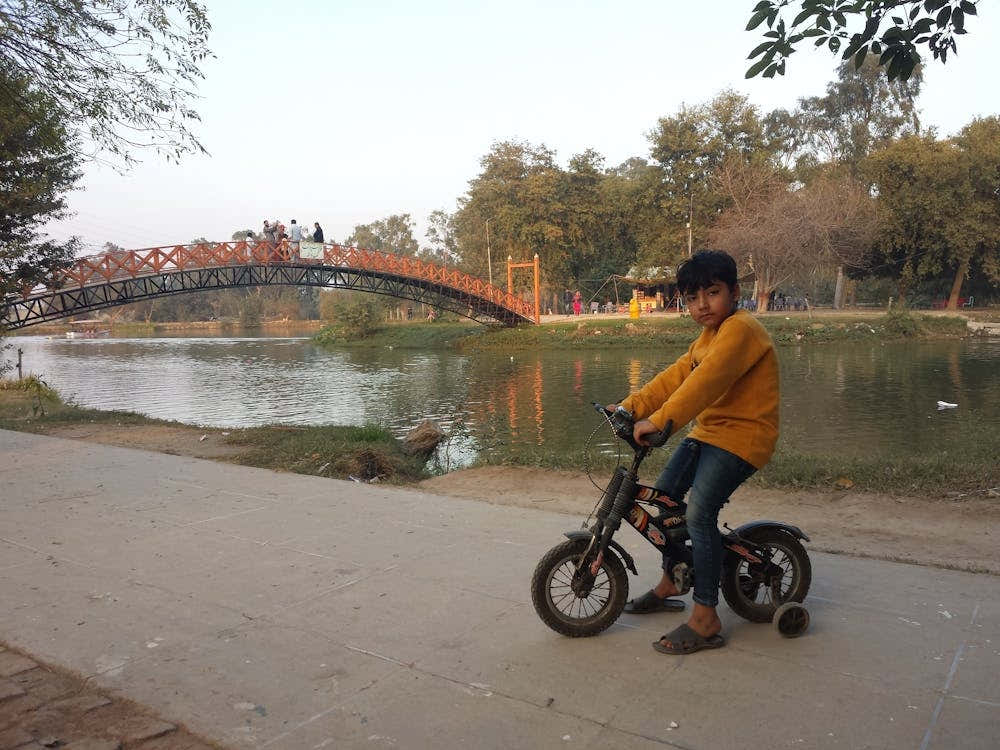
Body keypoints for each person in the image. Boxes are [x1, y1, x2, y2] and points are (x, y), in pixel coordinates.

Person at [609, 250, 779, 656]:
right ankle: (673, 579)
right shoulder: (707, 337)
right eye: (691, 298)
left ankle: (706, 616)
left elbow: (703, 385)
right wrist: (630, 407)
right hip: (710, 432)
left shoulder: (742, 330)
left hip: (744, 437)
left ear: (735, 292)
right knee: (666, 503)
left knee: (699, 514)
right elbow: (675, 378)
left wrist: (662, 422)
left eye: (713, 292)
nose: (702, 305)